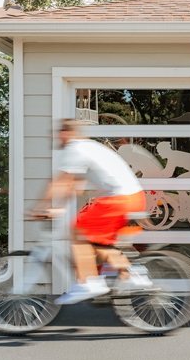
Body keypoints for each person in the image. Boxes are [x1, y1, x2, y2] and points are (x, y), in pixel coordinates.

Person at [33, 119, 151, 305]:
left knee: (77, 231)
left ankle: (89, 282)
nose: (54, 137)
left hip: (118, 199)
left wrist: (39, 208)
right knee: (97, 242)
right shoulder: (88, 147)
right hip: (133, 197)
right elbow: (74, 184)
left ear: (65, 133)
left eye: (57, 133)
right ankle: (130, 274)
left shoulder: (74, 148)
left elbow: (59, 182)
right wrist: (60, 208)